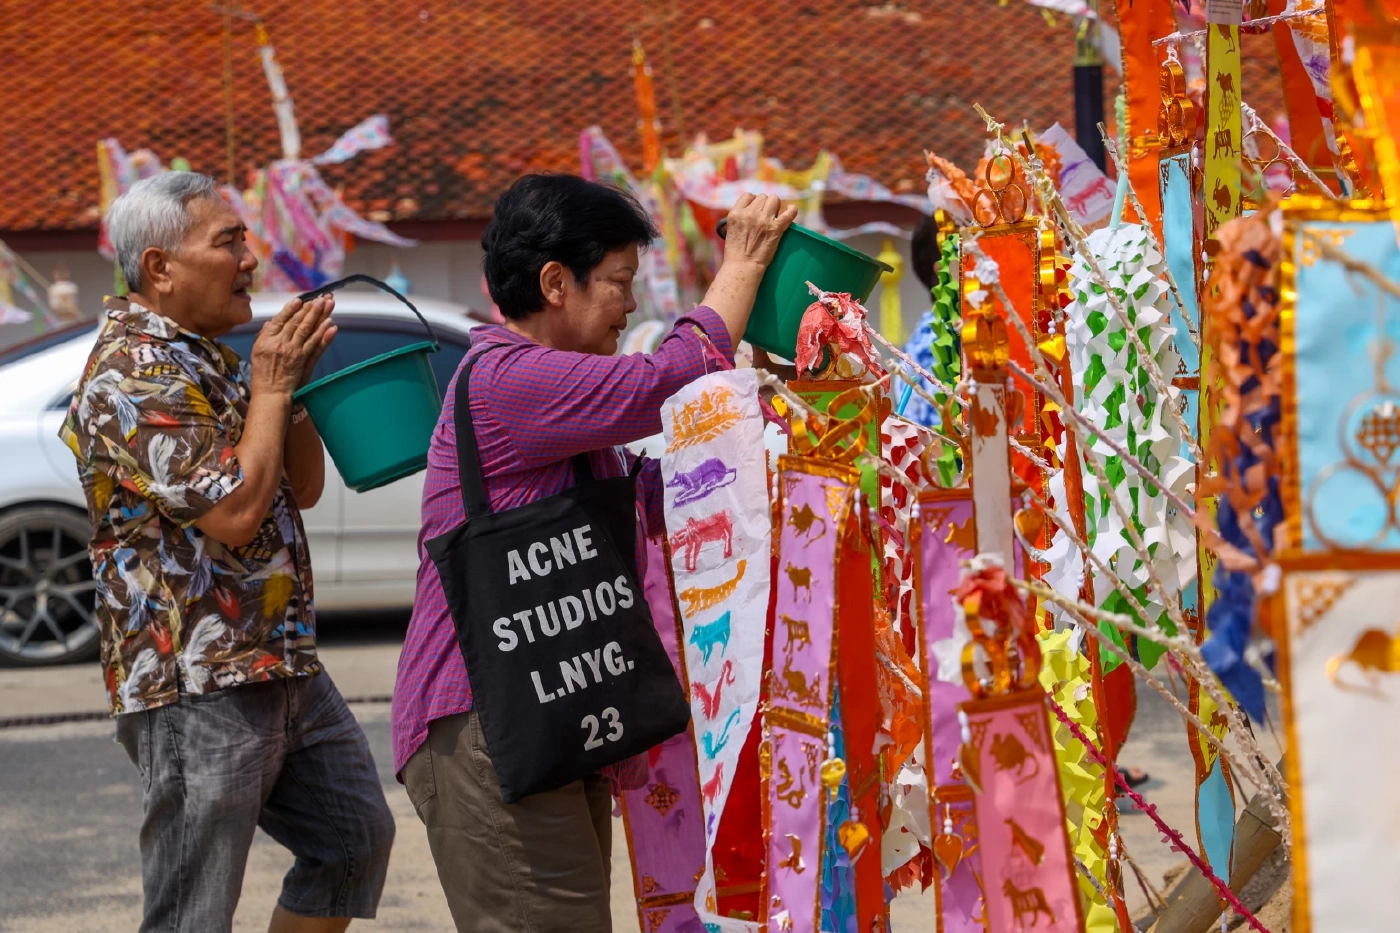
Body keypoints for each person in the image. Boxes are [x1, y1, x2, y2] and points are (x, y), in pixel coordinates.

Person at [392, 174, 796, 932]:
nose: (631, 305)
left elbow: (667, 495)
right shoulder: (506, 379)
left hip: (553, 711)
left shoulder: (560, 409)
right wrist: (742, 264)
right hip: (490, 719)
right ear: (555, 283)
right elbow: (660, 383)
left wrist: (769, 400)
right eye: (618, 282)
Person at [59, 172, 394, 933]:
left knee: (352, 844)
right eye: (228, 242)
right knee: (193, 912)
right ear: (160, 268)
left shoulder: (206, 355)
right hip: (195, 681)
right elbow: (237, 515)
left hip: (278, 658)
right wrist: (269, 389)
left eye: (245, 239)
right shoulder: (131, 373)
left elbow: (301, 488)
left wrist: (290, 391)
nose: (250, 259)